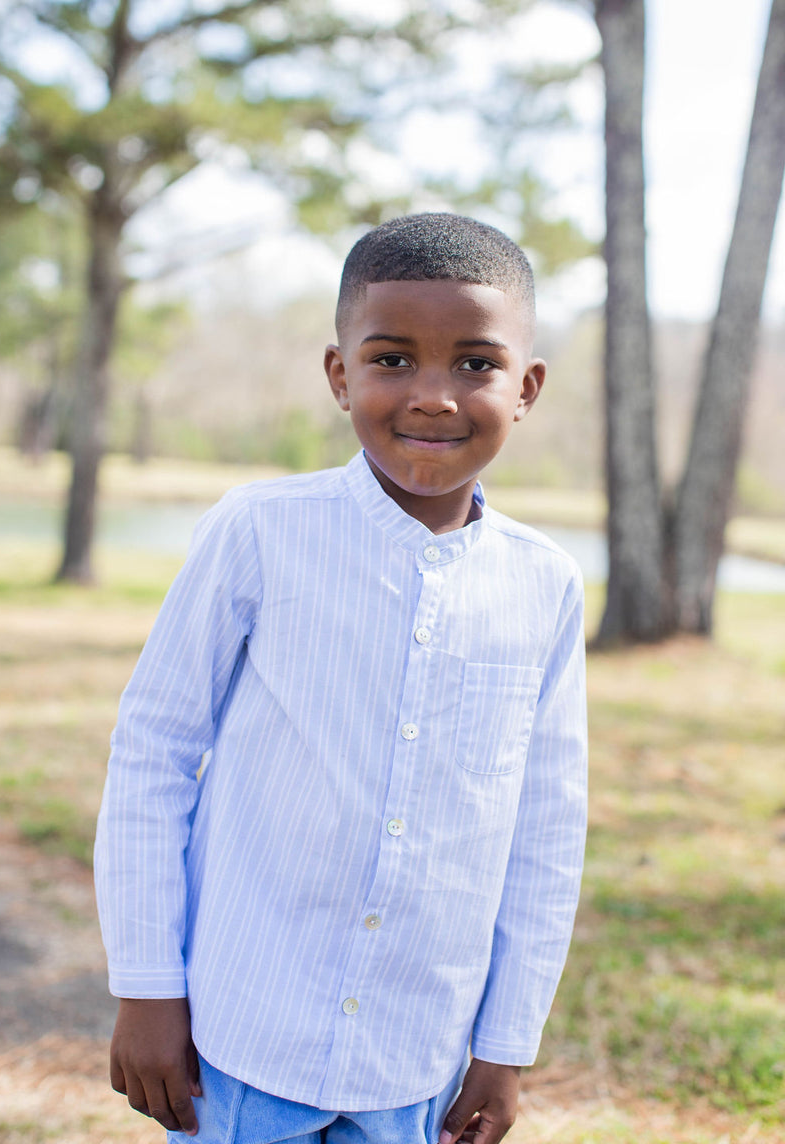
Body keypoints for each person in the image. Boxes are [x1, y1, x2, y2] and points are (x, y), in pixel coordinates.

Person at [94, 212, 588, 1144]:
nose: (434, 397)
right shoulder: (258, 532)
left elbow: (545, 830)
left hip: (418, 1057)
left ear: (526, 388)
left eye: (475, 365)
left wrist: (505, 1043)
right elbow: (154, 755)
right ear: (340, 374)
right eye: (393, 359)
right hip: (243, 1039)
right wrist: (148, 986)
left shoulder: (544, 585)